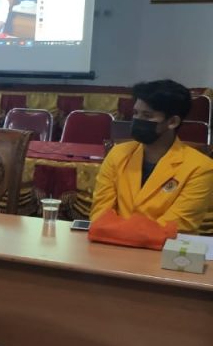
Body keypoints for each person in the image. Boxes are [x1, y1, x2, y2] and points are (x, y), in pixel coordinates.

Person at [91, 79, 213, 233]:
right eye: (135, 113)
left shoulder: (200, 167)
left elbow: (176, 226)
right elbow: (100, 214)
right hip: (109, 244)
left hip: (164, 248)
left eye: (147, 115)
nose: (137, 120)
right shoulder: (117, 154)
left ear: (173, 122)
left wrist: (118, 231)